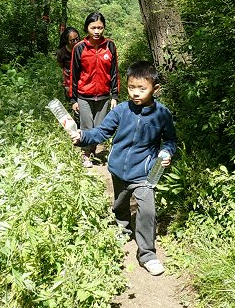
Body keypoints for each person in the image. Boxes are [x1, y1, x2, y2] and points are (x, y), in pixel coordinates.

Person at [70, 61, 176, 276]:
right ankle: (122, 228)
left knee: (147, 210)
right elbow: (101, 133)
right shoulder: (121, 110)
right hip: (118, 169)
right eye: (131, 88)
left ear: (155, 89)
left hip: (145, 173)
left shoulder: (162, 114)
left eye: (142, 88)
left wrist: (166, 153)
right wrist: (82, 136)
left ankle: (147, 254)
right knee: (120, 203)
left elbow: (170, 140)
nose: (135, 93)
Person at [69, 12, 119, 168]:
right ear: (87, 29)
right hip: (84, 96)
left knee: (100, 129)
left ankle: (93, 151)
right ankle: (85, 154)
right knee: (86, 127)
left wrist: (114, 95)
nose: (97, 31)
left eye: (100, 27)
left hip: (104, 96)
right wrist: (73, 99)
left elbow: (114, 72)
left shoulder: (110, 46)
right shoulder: (79, 48)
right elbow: (74, 75)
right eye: (93, 28)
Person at [56, 26, 80, 100]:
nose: (76, 42)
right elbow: (61, 65)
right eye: (72, 40)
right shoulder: (61, 52)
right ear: (67, 41)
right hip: (68, 79)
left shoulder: (82, 49)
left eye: (77, 39)